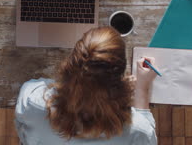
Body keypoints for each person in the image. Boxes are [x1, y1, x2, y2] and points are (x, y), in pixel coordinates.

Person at [15, 27, 158, 144]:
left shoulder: (31, 101)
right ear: (120, 80)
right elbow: (147, 136)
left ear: (71, 65)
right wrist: (143, 87)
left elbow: (38, 87)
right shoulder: (138, 130)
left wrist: (75, 83)